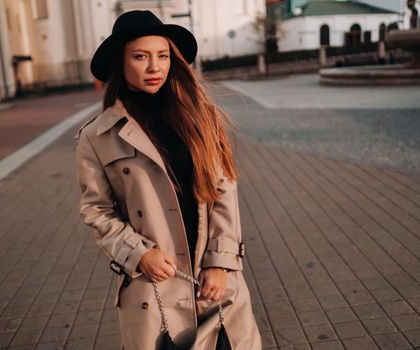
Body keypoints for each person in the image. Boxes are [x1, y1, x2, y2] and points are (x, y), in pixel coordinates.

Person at [75, 10, 261, 350]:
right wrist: (137, 253)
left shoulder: (201, 118)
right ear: (121, 61)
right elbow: (97, 210)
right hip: (154, 285)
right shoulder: (96, 137)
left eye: (162, 56)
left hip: (213, 283)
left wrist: (221, 262)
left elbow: (224, 190)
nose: (154, 67)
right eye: (141, 57)